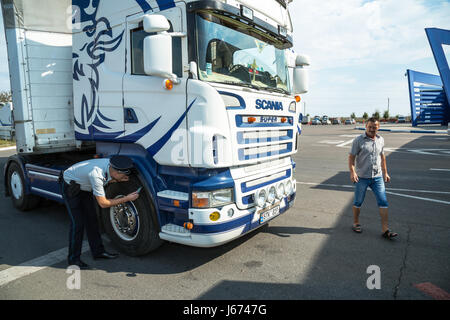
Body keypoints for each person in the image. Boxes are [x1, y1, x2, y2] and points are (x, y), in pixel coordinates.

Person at [61, 155, 140, 269]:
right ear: (115, 172)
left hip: (85, 187)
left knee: (92, 220)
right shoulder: (96, 174)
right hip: (70, 187)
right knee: (77, 224)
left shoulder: (112, 165)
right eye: (122, 176)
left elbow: (109, 178)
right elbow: (103, 203)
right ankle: (73, 260)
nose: (124, 177)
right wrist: (127, 198)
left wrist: (116, 179)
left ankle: (98, 252)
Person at [348, 117, 398, 239]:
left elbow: (383, 157)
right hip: (362, 177)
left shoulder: (381, 140)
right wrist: (352, 172)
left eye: (374, 127)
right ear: (366, 126)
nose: (372, 129)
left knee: (383, 202)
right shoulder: (358, 140)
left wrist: (385, 173)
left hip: (377, 177)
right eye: (369, 127)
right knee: (358, 201)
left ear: (378, 127)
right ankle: (356, 223)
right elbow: (351, 157)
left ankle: (385, 230)